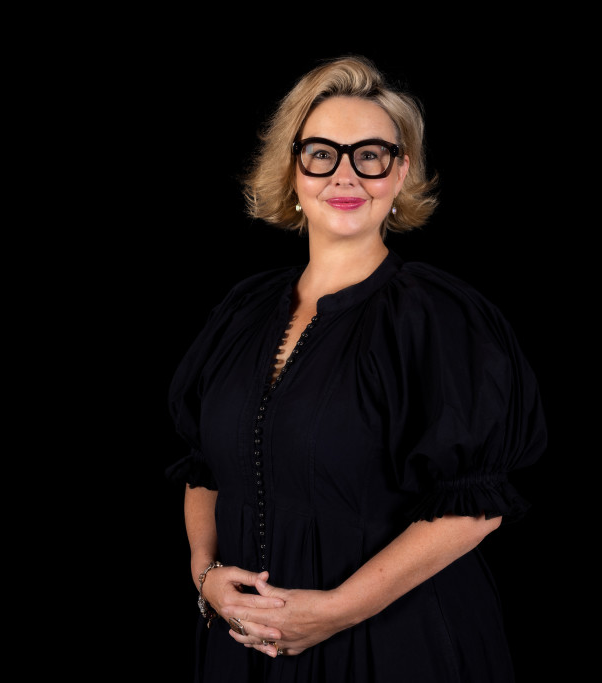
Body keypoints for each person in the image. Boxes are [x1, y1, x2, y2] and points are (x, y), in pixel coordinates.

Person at [166, 54, 547, 682]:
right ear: (292, 169)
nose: (345, 174)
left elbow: (475, 504)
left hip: (396, 649)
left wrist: (336, 611)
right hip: (243, 651)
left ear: (400, 173)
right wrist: (204, 572)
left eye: (370, 155)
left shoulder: (439, 317)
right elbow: (204, 467)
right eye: (321, 153)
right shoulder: (241, 312)